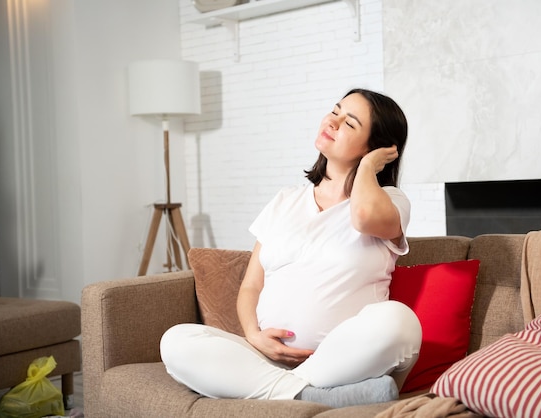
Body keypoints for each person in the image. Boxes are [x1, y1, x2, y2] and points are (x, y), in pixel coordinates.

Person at [160, 88, 422, 408]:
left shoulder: (392, 202)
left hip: (343, 362)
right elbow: (251, 286)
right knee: (175, 342)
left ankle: (289, 389)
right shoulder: (286, 200)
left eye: (350, 123)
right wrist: (254, 336)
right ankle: (306, 394)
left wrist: (367, 169)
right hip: (265, 359)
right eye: (335, 110)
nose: (333, 121)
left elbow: (365, 217)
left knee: (400, 322)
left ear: (377, 148)